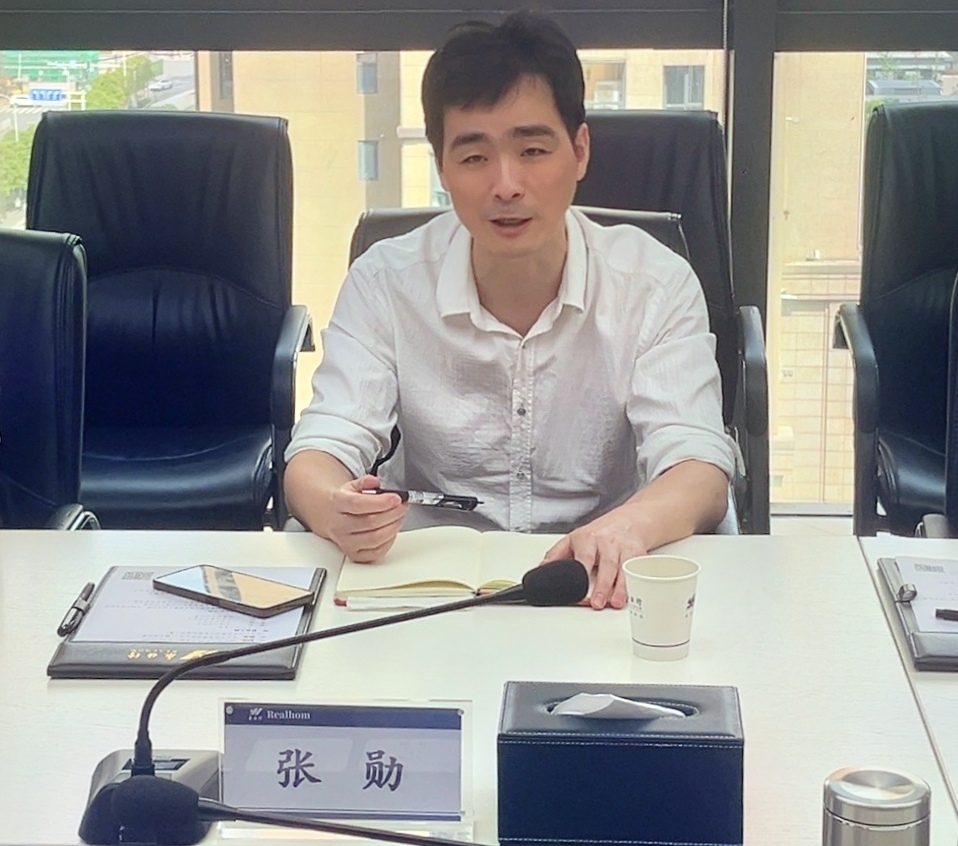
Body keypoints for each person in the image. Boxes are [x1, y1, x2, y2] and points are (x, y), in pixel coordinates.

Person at [285, 9, 737, 610]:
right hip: (424, 590)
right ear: (442, 167)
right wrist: (333, 506)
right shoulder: (385, 281)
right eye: (474, 157)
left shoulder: (654, 282)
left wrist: (627, 528)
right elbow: (321, 446)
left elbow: (698, 464)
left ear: (579, 151)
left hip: (596, 584)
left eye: (532, 150)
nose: (506, 185)